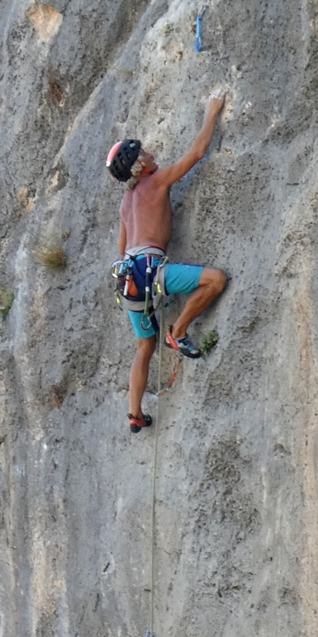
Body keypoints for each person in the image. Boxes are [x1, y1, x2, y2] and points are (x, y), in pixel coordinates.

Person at [106, 94, 227, 433]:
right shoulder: (156, 181)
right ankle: (179, 331)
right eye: (144, 154)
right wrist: (212, 113)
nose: (150, 154)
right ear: (138, 167)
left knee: (145, 345)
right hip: (150, 270)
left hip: (128, 279)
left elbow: (122, 248)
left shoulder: (126, 202)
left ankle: (135, 414)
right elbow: (196, 154)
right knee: (216, 280)